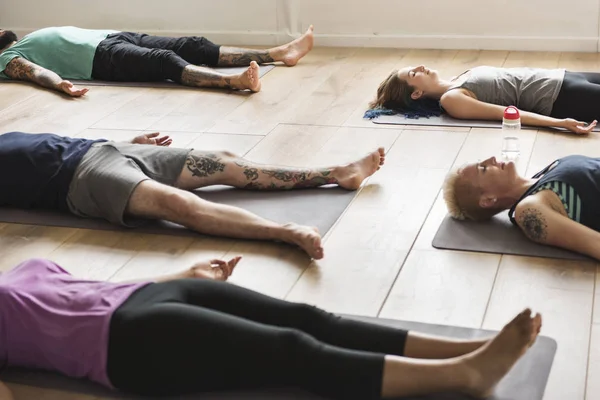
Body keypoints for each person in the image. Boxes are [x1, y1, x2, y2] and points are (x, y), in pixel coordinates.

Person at [0, 256, 542, 399]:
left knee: (308, 317)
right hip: (122, 345)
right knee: (292, 349)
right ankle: (463, 376)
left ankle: (463, 349)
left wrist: (183, 274)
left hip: (147, 295)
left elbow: (85, 288)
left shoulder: (22, 268)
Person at [0, 130, 386, 259]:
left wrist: (127, 141)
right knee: (179, 206)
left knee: (226, 162)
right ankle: (285, 231)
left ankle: (337, 173)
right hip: (82, 179)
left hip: (105, 148)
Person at [0, 25, 315, 95]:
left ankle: (277, 54)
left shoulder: (21, 39)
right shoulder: (7, 58)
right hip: (99, 59)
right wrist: (60, 85)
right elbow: (32, 72)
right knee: (164, 60)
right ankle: (234, 81)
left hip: (111, 37)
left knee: (192, 44)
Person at [443, 154, 600, 260]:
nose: (491, 158)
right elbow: (594, 244)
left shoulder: (543, 175)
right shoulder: (529, 208)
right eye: (483, 169)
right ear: (488, 199)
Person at [367, 64, 600, 135]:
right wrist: (560, 123)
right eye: (413, 74)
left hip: (564, 76)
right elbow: (509, 114)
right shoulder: (452, 99)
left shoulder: (459, 77)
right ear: (416, 93)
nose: (419, 67)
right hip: (560, 97)